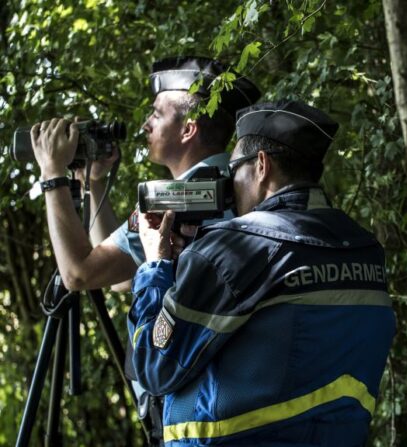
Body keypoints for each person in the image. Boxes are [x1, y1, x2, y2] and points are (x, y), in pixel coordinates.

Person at [128, 100, 396, 445]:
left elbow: (154, 365)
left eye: (233, 169)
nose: (229, 185)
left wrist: (156, 265)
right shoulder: (366, 249)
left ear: (261, 165)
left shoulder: (231, 249)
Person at [30, 56, 260, 444]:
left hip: (187, 411)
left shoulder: (169, 202)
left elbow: (78, 274)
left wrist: (52, 173)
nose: (145, 125)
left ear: (188, 129)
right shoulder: (242, 189)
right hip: (230, 399)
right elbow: (122, 279)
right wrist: (95, 184)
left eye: (156, 114)